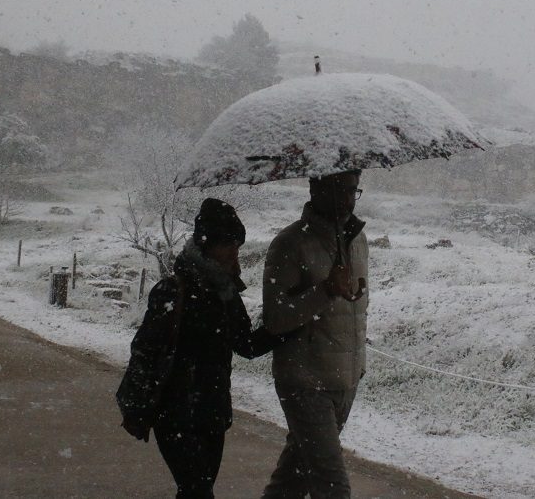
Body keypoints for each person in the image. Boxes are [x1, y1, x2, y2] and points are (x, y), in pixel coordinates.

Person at [120, 198, 285, 499]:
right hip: (175, 415)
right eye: (229, 244)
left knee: (195, 491)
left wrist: (289, 324)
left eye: (237, 244)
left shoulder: (226, 292)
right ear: (207, 243)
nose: (235, 252)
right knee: (197, 491)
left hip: (212, 414)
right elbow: (144, 349)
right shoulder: (174, 290)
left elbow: (246, 345)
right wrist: (138, 406)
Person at [261, 170, 369, 499]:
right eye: (340, 190)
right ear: (315, 187)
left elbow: (356, 310)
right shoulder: (289, 244)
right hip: (305, 383)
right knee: (332, 486)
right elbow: (275, 319)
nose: (348, 199)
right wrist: (324, 291)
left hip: (344, 380)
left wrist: (357, 365)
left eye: (353, 190)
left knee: (293, 478)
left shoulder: (358, 239)